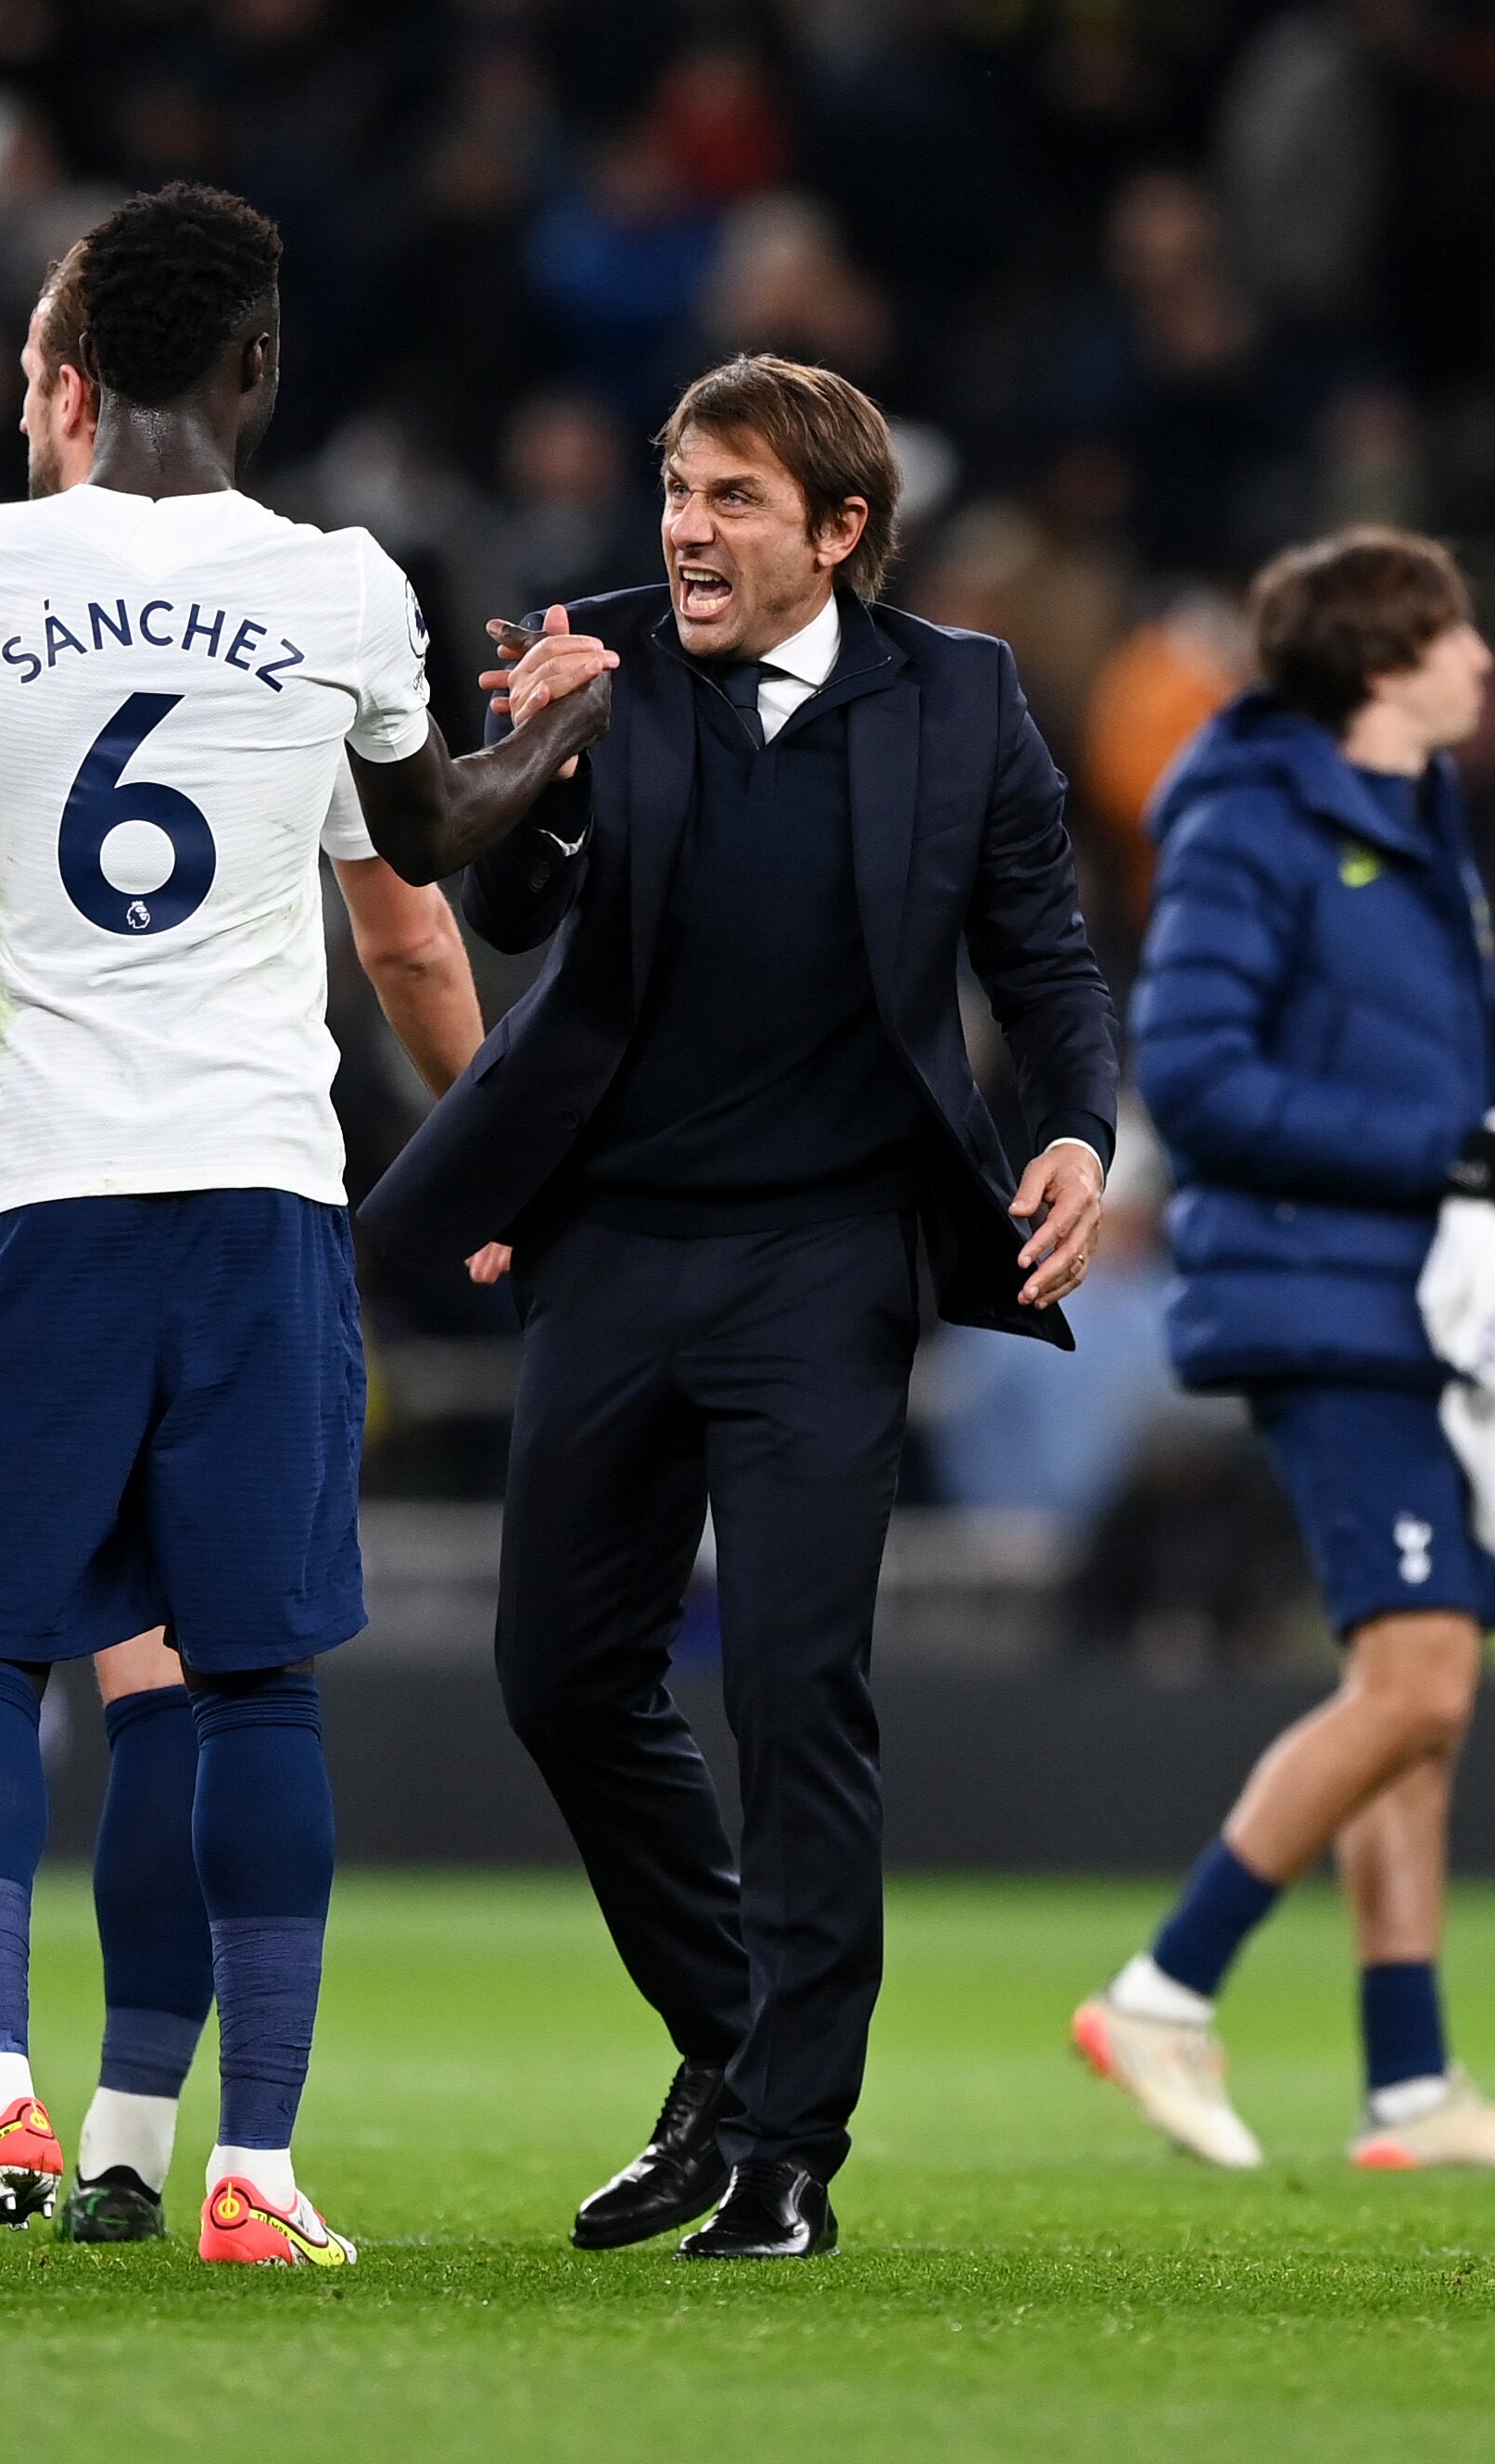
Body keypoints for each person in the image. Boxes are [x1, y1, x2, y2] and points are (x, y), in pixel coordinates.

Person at [0, 183, 608, 2268]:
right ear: (260, 361)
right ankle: (250, 2164)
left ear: (75, 371)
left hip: (43, 1197)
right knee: (252, 1681)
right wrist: (566, 719)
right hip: (260, 1198)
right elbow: (430, 841)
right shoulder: (340, 582)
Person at [363, 354, 1120, 2258]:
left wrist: (1076, 1131)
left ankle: (786, 2146)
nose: (684, 529)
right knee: (558, 1673)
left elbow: (1040, 952)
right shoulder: (600, 661)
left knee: (793, 1688)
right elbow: (509, 908)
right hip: (615, 1241)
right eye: (676, 489)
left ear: (839, 531)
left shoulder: (961, 695)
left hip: (829, 1257)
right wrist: (541, 759)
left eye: (731, 499)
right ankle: (731, 2038)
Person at [1072, 527, 1495, 2174]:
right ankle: (1163, 1990)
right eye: (1456, 635)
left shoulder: (1413, 814)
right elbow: (1196, 1077)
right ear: (1382, 660)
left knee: (1416, 1697)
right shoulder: (1250, 819)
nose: (1485, 662)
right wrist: (1450, 1150)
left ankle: (1408, 2079)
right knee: (1419, 1677)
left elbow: (1406, 1084)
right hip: (1321, 1299)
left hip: (1407, 1295)